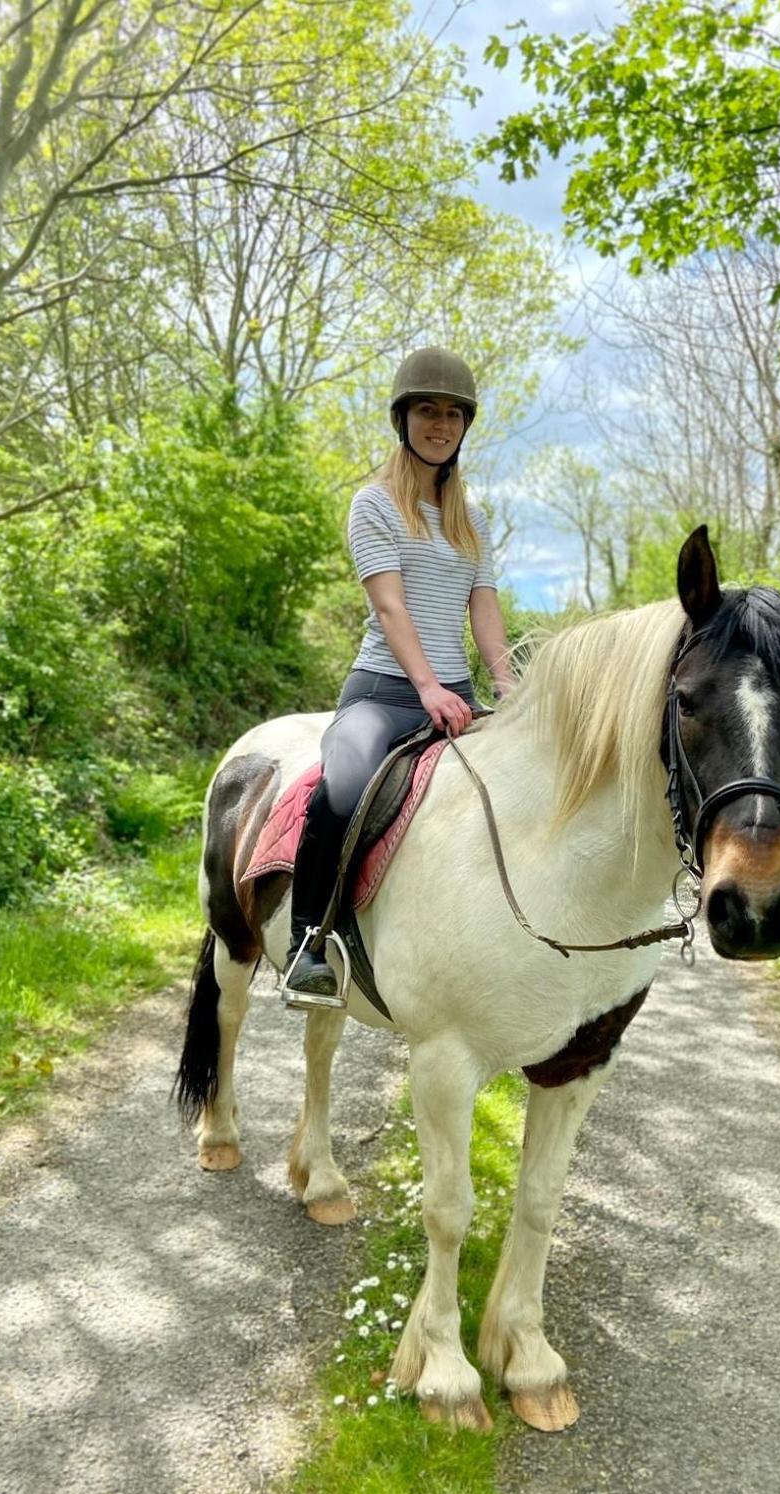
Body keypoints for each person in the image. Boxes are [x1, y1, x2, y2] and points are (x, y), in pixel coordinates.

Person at [283, 346, 514, 1004]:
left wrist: (508, 684)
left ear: (465, 425)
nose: (439, 424)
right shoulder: (374, 504)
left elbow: (486, 608)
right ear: (403, 419)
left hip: (457, 700)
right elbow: (389, 606)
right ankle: (310, 942)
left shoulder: (475, 520)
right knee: (343, 782)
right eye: (426, 410)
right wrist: (428, 687)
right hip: (385, 694)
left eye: (451, 413)